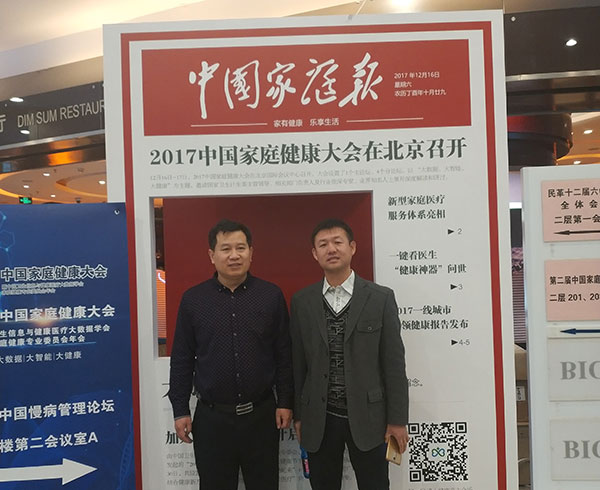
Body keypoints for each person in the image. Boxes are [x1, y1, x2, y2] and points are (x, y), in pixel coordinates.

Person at [168, 219, 293, 490]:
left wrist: (285, 401)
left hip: (261, 416)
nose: (234, 255)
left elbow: (284, 353)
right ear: (212, 255)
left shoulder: (270, 296)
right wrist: (180, 410)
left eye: (240, 248)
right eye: (226, 249)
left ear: (251, 252)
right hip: (212, 419)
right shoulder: (193, 300)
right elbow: (182, 359)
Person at [290, 218, 409, 490]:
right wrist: (299, 415)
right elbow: (298, 364)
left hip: (370, 417)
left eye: (337, 242)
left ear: (352, 247)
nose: (331, 249)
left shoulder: (380, 298)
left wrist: (397, 420)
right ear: (314, 253)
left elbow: (394, 364)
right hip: (319, 418)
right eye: (323, 244)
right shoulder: (302, 302)